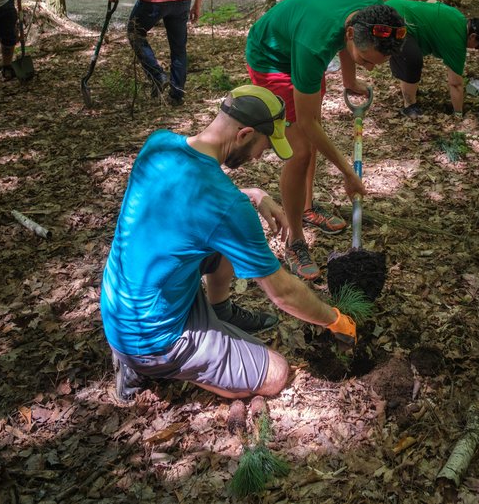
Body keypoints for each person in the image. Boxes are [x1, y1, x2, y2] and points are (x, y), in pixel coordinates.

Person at [100, 84, 356, 402]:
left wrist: (253, 194)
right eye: (263, 146)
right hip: (153, 338)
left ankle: (219, 313)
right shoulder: (227, 208)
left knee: (221, 243)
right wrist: (334, 319)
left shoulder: (159, 145)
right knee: (276, 374)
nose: (259, 156)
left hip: (119, 307)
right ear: (245, 134)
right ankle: (150, 368)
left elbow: (187, 199)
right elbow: (284, 293)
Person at [245, 0, 407, 280]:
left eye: (376, 64)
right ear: (352, 35)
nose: (371, 69)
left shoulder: (372, 11)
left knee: (310, 142)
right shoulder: (314, 45)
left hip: (301, 45)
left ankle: (306, 208)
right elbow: (308, 123)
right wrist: (348, 172)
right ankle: (294, 241)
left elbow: (344, 41)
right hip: (272, 57)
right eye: (366, 60)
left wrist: (349, 80)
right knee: (300, 151)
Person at [383, 0, 479, 119]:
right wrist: (458, 114)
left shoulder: (457, 16)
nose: (476, 49)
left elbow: (431, 2)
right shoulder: (456, 42)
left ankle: (410, 90)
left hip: (393, 5)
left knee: (410, 53)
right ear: (473, 36)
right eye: (478, 46)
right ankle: (409, 106)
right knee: (412, 60)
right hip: (394, 21)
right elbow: (456, 84)